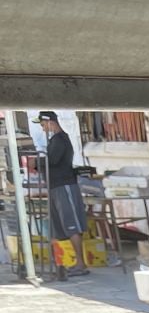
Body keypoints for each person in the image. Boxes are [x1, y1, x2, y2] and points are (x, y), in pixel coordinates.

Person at [37, 111, 88, 277]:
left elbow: (52, 161)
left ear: (50, 122)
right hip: (55, 186)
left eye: (43, 125)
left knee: (71, 225)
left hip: (64, 185)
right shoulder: (54, 140)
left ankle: (81, 264)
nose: (43, 128)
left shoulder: (60, 139)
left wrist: (37, 161)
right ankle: (63, 262)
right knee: (59, 226)